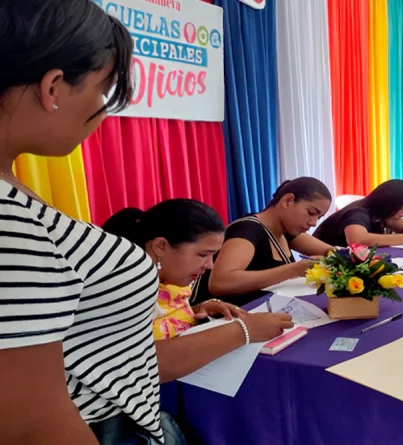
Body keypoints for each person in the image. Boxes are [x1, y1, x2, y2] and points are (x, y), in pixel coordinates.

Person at [0, 1, 173, 443]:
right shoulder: (10, 220)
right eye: (102, 89)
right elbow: (31, 421)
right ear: (54, 86)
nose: (100, 109)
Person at [102, 199, 294, 382]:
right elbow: (140, 363)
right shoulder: (122, 291)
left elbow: (160, 319)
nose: (209, 265)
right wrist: (244, 330)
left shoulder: (170, 282)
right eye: (203, 255)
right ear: (161, 246)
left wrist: (200, 307)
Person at [195, 177, 335, 307]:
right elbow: (220, 283)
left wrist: (349, 255)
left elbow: (332, 252)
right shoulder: (247, 231)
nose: (313, 223)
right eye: (311, 213)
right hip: (214, 319)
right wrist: (294, 270)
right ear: (287, 201)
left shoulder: (286, 232)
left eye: (319, 217)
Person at [314, 179, 403, 247]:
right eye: (402, 208)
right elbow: (357, 239)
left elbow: (402, 226)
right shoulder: (358, 213)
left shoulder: (382, 214)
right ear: (390, 203)